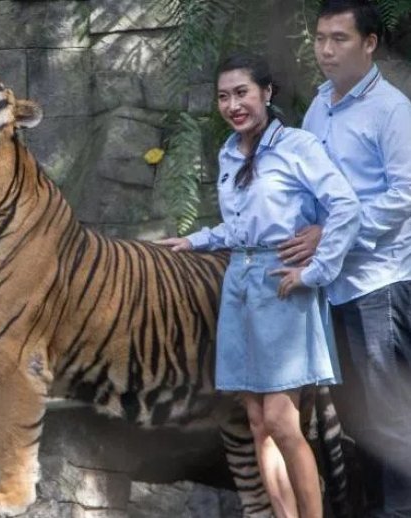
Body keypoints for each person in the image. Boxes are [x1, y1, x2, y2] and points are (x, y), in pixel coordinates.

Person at [157, 53, 359, 518]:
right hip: (240, 285)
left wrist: (314, 272)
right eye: (223, 97)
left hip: (282, 285)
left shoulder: (297, 146)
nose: (233, 105)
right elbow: (240, 227)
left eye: (241, 93)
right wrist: (196, 240)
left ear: (266, 93)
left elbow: (346, 208)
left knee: (282, 422)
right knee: (257, 423)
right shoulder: (229, 151)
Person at [276, 1, 411, 515]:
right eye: (320, 39)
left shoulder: (392, 110)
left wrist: (331, 233)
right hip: (334, 283)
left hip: (381, 282)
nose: (326, 50)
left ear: (370, 43)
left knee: (391, 413)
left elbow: (404, 195)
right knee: (360, 418)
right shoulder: (318, 107)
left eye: (340, 39)